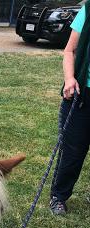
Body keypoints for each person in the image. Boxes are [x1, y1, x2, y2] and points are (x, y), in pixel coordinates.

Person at [50, 0, 90, 215]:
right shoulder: (88, 10)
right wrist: (69, 78)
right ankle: (58, 196)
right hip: (83, 94)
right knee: (72, 153)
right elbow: (69, 50)